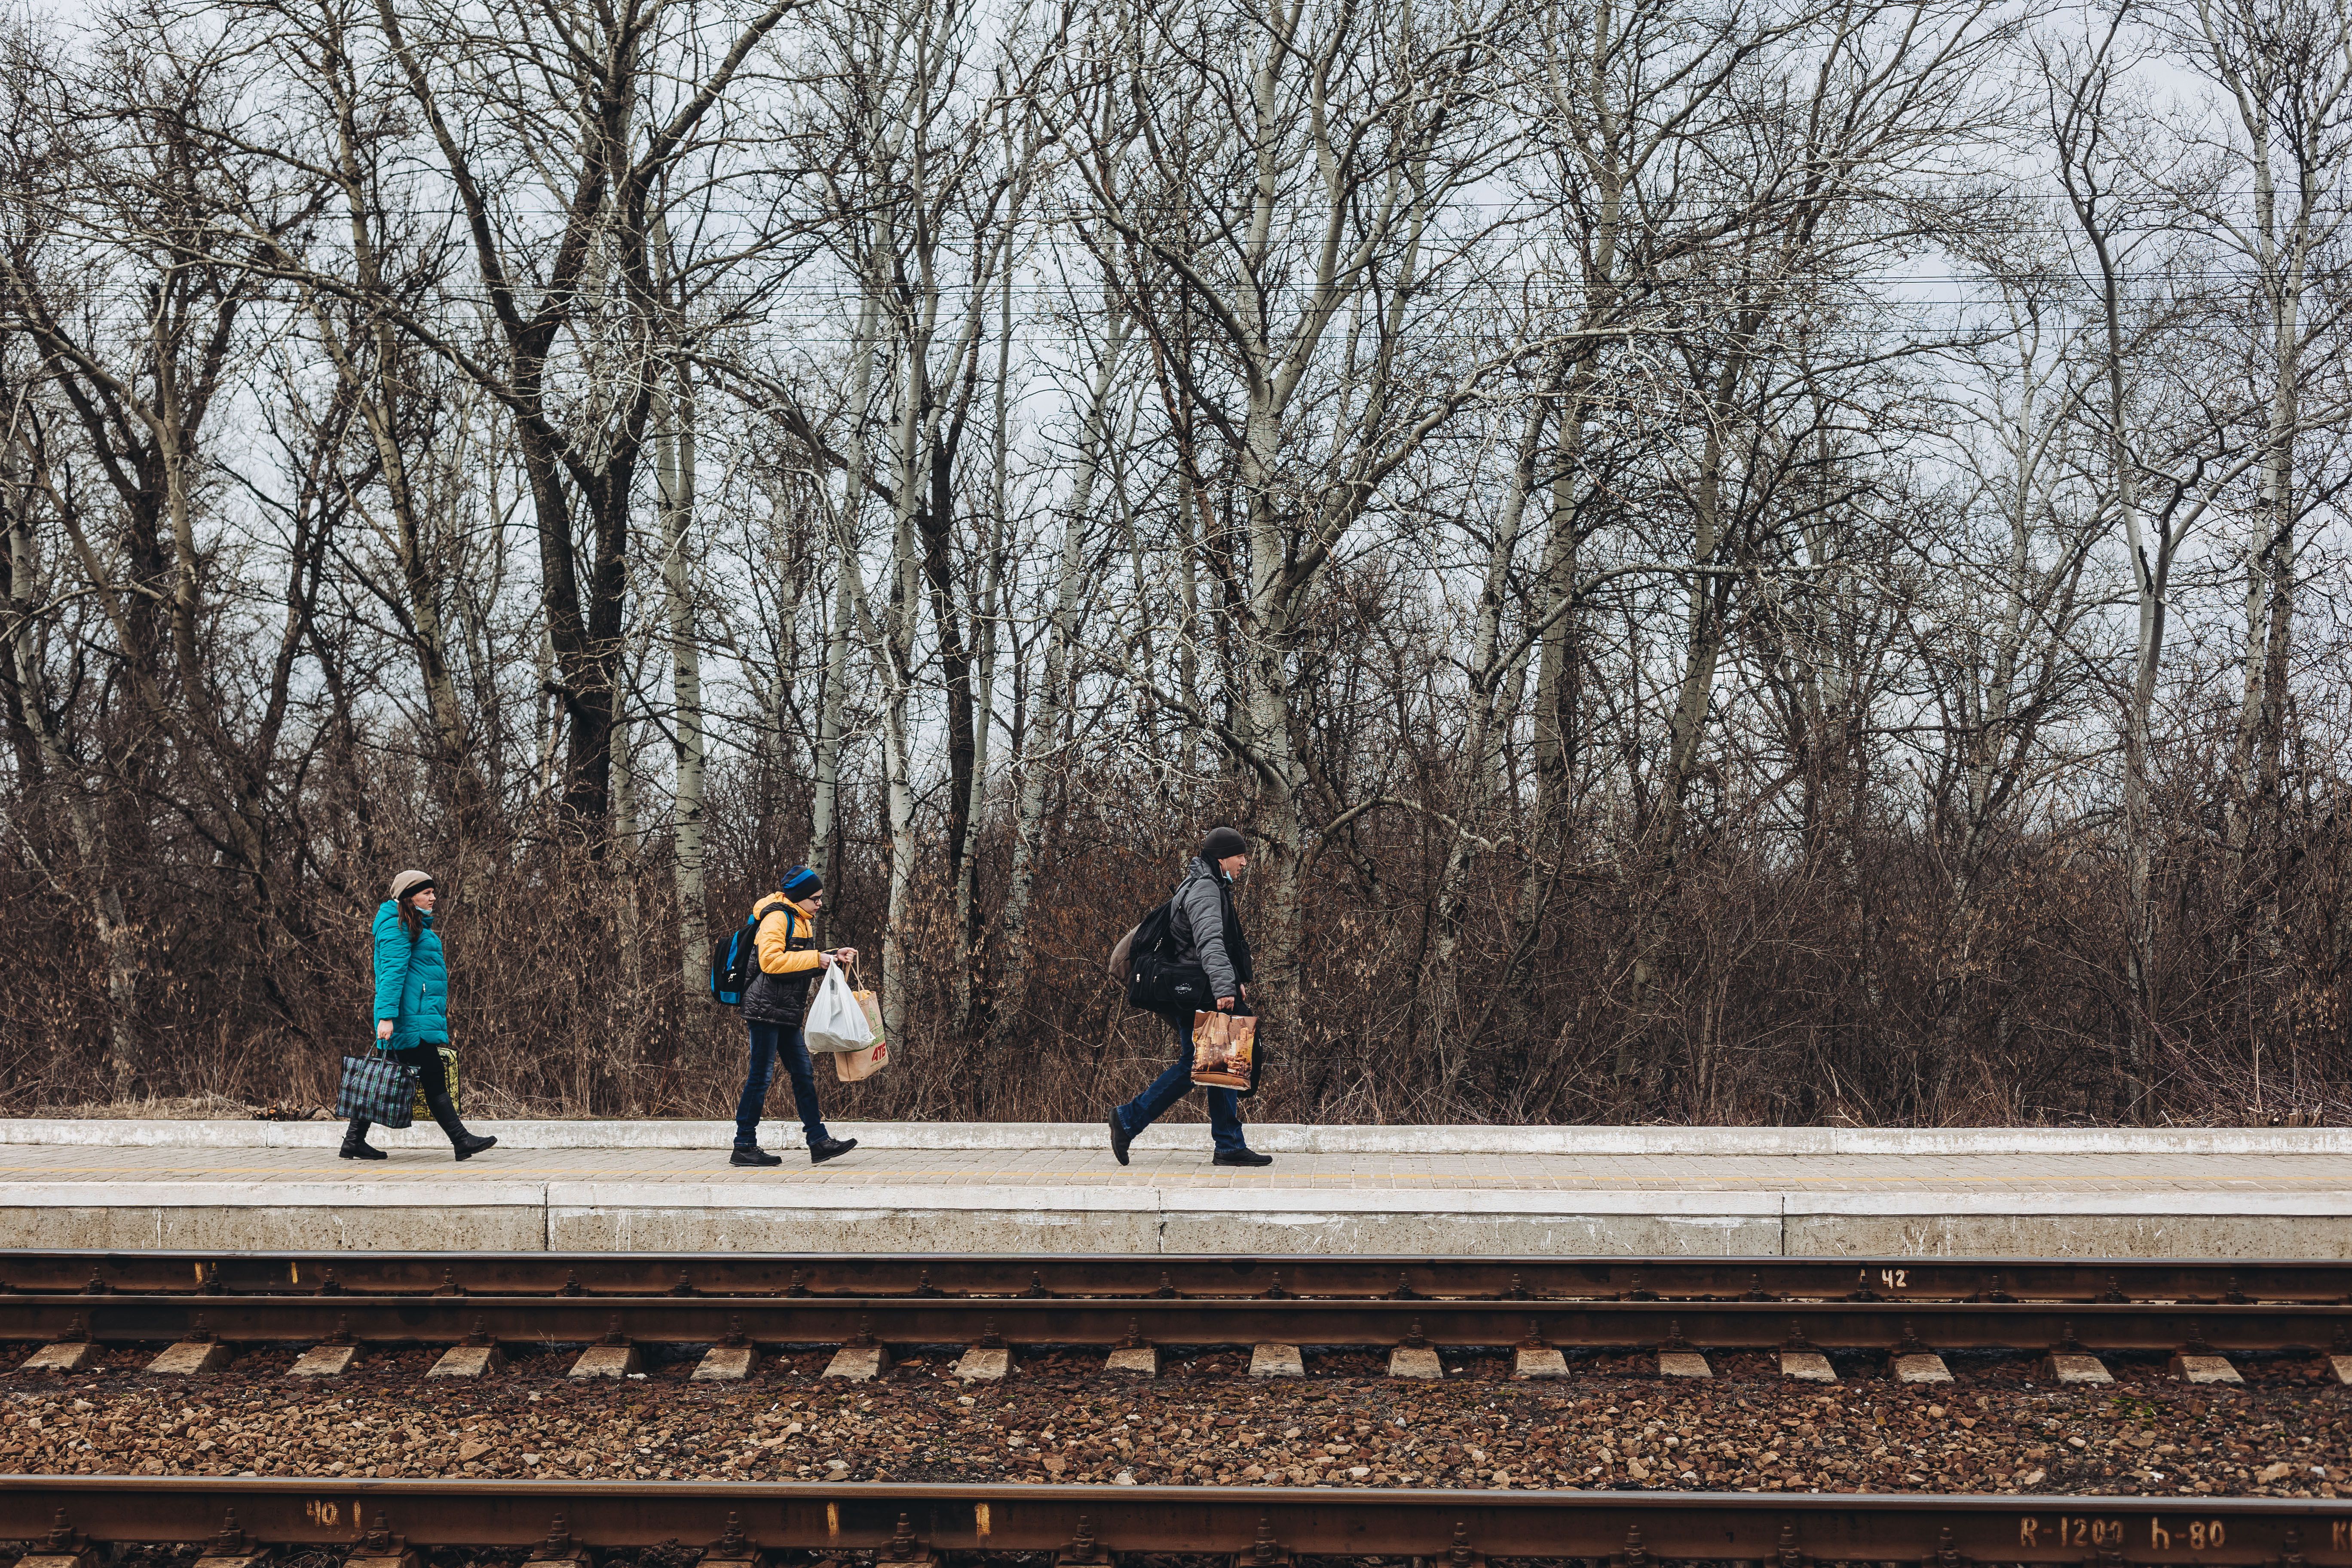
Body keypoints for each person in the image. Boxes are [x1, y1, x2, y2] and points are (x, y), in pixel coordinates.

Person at [1106, 826, 1273, 1167]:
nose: (1244, 862)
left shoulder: (1209, 885)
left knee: (1222, 1062)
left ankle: (1228, 1144)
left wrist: (1235, 979)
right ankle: (1127, 1120)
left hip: (1201, 987)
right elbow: (1209, 942)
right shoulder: (1206, 890)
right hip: (1199, 990)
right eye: (1240, 855)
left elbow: (1220, 944)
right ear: (1222, 857)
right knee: (1199, 1064)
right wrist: (1225, 987)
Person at [343, 869, 497, 1161]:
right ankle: (461, 1140)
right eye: (427, 893)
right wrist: (387, 1017)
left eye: (433, 892)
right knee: (428, 1073)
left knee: (384, 1078)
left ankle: (353, 1141)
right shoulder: (397, 926)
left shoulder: (411, 925)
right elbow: (391, 974)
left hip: (414, 1017)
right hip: (406, 1019)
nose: (433, 897)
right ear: (409, 896)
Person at [734, 864, 861, 1166]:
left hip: (785, 1011)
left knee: (804, 1073)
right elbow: (771, 962)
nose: (820, 904)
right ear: (800, 897)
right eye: (815, 898)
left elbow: (795, 964)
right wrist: (818, 958)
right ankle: (744, 1145)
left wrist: (830, 958)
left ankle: (819, 1142)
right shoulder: (778, 917)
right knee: (761, 1077)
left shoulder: (802, 920)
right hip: (765, 1010)